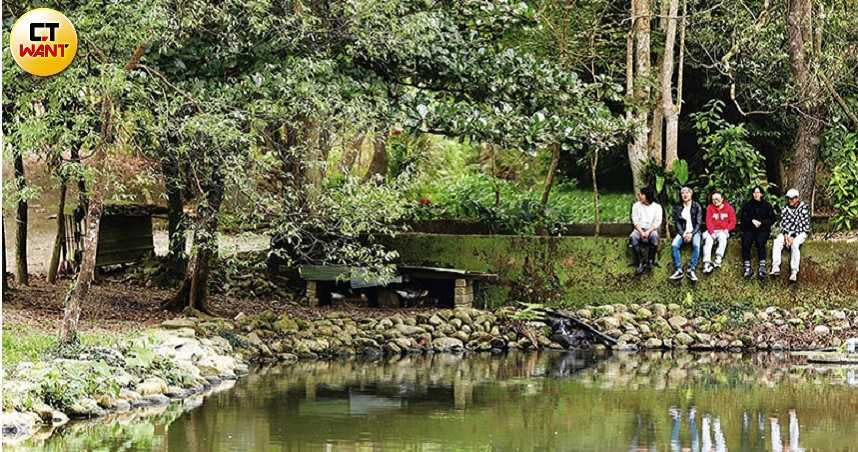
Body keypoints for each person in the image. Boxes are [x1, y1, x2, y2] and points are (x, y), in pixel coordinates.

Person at [770, 188, 811, 282]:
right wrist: (785, 236)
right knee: (777, 241)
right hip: (787, 232)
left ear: (797, 199)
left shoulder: (804, 208)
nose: (790, 201)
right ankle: (775, 266)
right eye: (789, 198)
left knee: (795, 245)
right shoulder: (785, 208)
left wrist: (793, 236)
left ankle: (794, 271)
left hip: (801, 232)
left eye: (792, 199)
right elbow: (783, 224)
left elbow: (805, 226)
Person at [739, 186, 774, 279]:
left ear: (761, 194)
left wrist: (761, 223)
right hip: (750, 229)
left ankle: (762, 267)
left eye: (758, 192)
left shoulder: (767, 205)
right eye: (754, 192)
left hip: (762, 229)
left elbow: (772, 219)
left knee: (760, 242)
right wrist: (751, 221)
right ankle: (747, 268)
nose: (756, 194)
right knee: (745, 242)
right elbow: (743, 218)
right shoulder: (747, 205)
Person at [669, 186, 703, 282]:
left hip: (694, 231)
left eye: (687, 192)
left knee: (696, 245)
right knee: (674, 245)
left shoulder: (697, 206)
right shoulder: (678, 207)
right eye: (683, 193)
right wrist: (683, 234)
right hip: (683, 232)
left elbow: (698, 223)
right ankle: (678, 269)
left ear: (691, 194)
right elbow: (677, 223)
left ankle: (691, 269)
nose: (685, 194)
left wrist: (691, 233)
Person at [629, 187, 662, 274]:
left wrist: (648, 232)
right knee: (633, 237)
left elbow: (657, 222)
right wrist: (641, 232)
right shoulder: (636, 206)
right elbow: (635, 220)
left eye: (642, 194)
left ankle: (650, 260)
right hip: (639, 229)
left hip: (651, 230)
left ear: (647, 196)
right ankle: (640, 261)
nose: (639, 195)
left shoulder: (657, 207)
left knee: (654, 236)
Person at [701, 191, 736, 274]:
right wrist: (712, 232)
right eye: (713, 199)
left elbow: (733, 221)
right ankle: (707, 263)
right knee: (708, 241)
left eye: (717, 199)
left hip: (723, 230)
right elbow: (708, 221)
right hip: (712, 230)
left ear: (722, 199)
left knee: (723, 237)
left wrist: (727, 229)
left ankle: (718, 260)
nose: (715, 201)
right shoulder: (710, 208)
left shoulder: (729, 208)